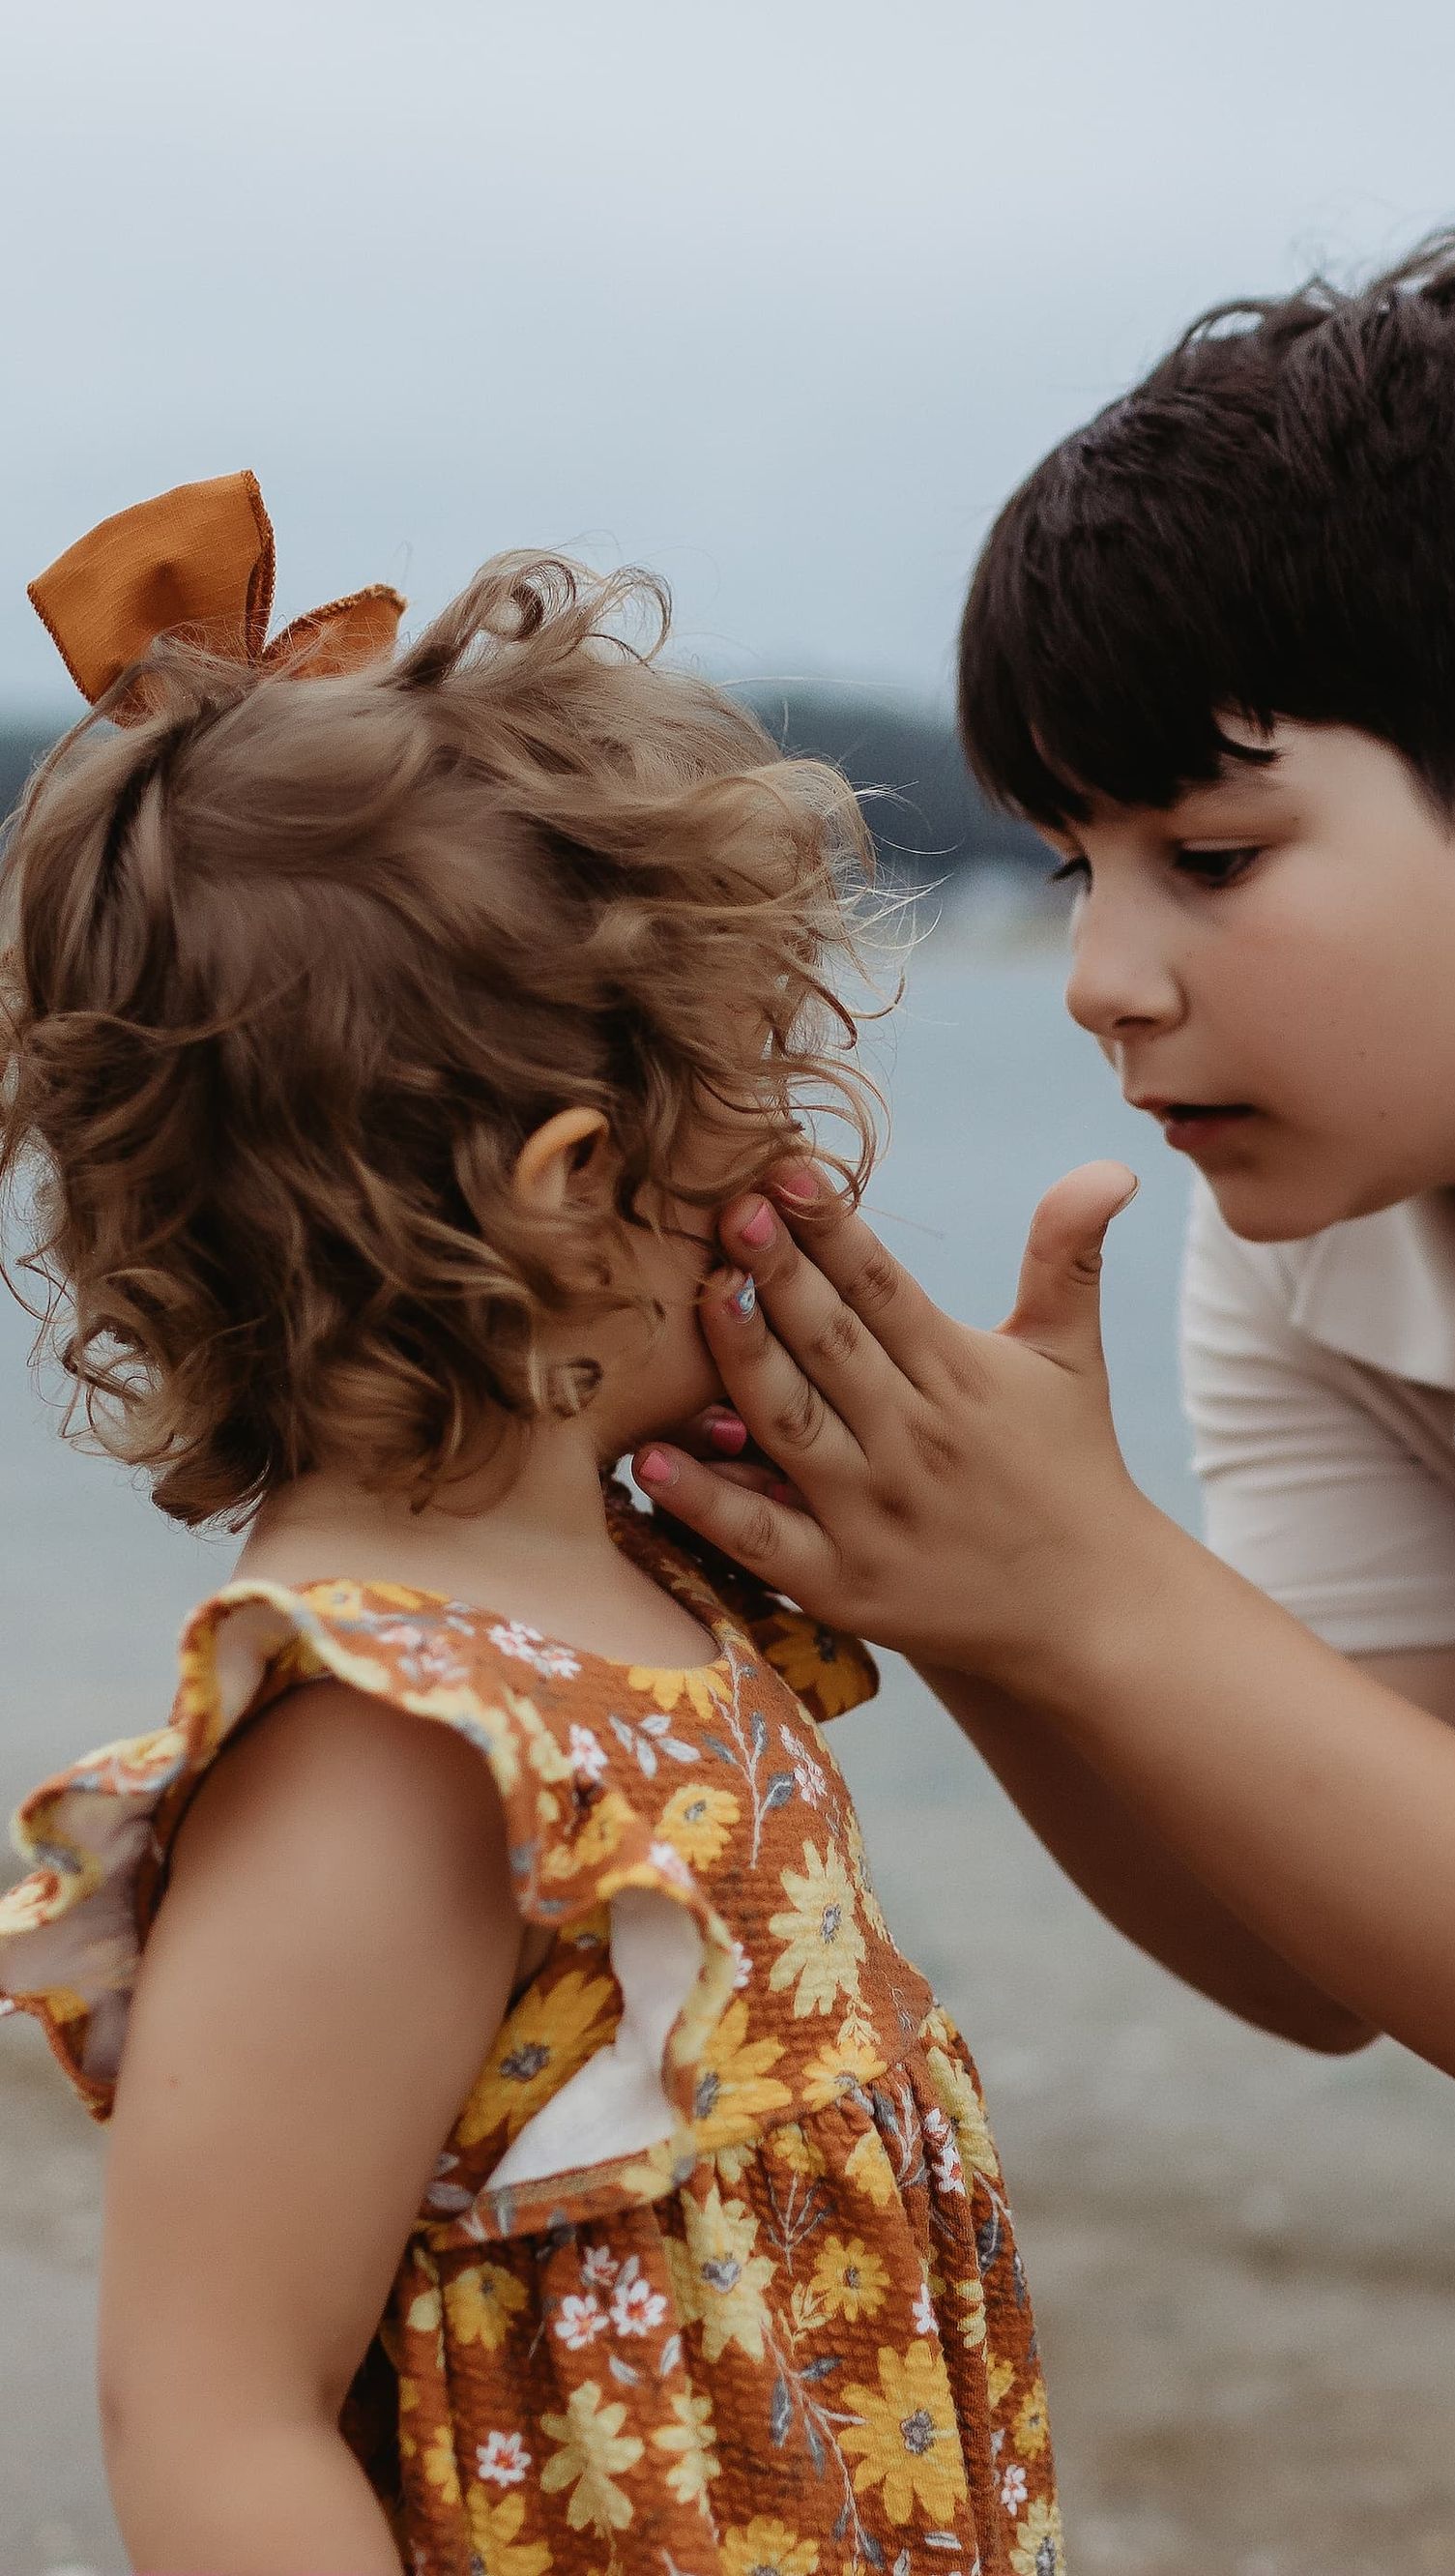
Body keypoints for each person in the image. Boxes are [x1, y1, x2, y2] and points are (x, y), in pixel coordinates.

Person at [631, 239, 1455, 2575]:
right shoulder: (1310, 1198)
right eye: (1075, 864)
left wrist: (1088, 1586)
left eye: (1207, 860)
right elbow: (1318, 1954)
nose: (1103, 977)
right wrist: (983, 1602)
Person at [0, 475, 1062, 2576]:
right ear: (572, 1183)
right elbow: (214, 2416)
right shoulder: (395, 1741)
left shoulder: (633, 1578)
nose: (794, 1161)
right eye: (757, 1080)